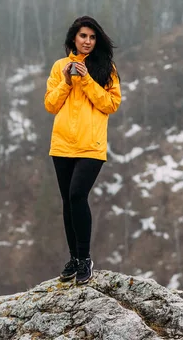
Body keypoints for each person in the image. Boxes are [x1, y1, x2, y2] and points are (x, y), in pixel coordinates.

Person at [44, 16, 121, 284]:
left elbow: (111, 105)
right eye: (83, 36)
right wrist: (66, 81)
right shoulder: (59, 67)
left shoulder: (105, 68)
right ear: (73, 39)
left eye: (92, 37)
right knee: (68, 202)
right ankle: (74, 259)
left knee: (78, 195)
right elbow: (51, 105)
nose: (87, 41)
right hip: (63, 144)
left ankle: (85, 258)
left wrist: (87, 80)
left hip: (91, 145)